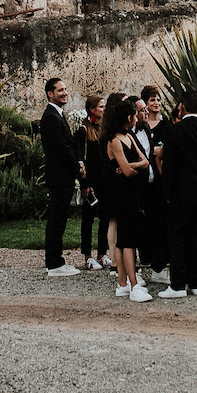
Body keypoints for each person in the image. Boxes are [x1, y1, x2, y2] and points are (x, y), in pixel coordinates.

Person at [158, 88, 197, 298]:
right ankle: (195, 283)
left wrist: (167, 192)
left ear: (182, 107)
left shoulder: (173, 131)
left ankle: (177, 285)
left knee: (177, 237)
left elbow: (169, 166)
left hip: (180, 193)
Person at [105, 96, 153, 301]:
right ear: (128, 117)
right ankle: (132, 284)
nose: (138, 117)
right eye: (135, 114)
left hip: (131, 193)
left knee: (126, 239)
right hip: (121, 195)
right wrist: (133, 167)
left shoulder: (129, 137)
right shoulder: (114, 140)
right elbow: (127, 170)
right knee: (127, 241)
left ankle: (123, 283)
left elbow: (145, 162)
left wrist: (131, 166)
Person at [41, 78, 83, 276]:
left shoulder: (57, 115)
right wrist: (77, 167)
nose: (64, 93)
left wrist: (78, 162)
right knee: (57, 219)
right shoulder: (50, 117)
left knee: (60, 219)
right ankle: (54, 263)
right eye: (60, 90)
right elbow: (61, 148)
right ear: (50, 93)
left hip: (62, 175)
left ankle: (57, 260)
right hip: (59, 176)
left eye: (65, 89)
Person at [138, 86, 171, 281]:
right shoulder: (141, 127)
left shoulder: (165, 126)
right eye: (152, 100)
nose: (156, 103)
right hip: (144, 179)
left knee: (160, 221)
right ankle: (148, 259)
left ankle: (161, 262)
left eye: (158, 99)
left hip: (160, 178)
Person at [76, 94, 111, 271]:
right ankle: (88, 255)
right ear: (92, 110)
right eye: (101, 107)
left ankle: (102, 253)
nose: (104, 110)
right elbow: (81, 158)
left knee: (105, 216)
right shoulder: (83, 130)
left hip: (104, 179)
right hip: (91, 180)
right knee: (88, 218)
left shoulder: (105, 130)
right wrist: (85, 183)